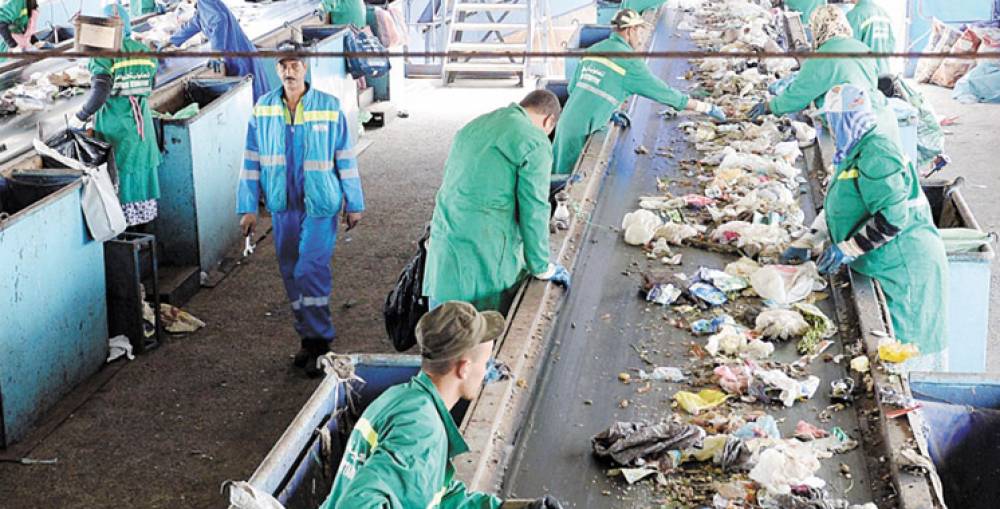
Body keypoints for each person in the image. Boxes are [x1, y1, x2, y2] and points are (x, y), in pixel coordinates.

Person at [322, 301, 565, 509]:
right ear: (464, 368)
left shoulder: (400, 398)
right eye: (486, 363)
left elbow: (440, 497)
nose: (486, 372)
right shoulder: (422, 430)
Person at [781, 84, 948, 370]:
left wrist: (849, 247)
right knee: (889, 347)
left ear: (846, 119)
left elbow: (893, 217)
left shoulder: (878, 154)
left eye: (831, 120)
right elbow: (842, 203)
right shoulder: (855, 148)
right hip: (884, 260)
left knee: (904, 350)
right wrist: (810, 239)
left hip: (904, 265)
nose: (828, 126)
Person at [236, 48, 364, 377]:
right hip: (283, 205)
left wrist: (355, 201)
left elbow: (345, 158)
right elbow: (250, 161)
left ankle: (322, 342)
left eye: (295, 65)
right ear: (277, 71)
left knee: (310, 268)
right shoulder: (263, 108)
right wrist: (248, 207)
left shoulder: (328, 107)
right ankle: (307, 339)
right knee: (291, 272)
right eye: (283, 66)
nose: (289, 72)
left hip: (321, 204)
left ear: (305, 69)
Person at [423, 90, 571, 313]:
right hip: (484, 252)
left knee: (442, 331)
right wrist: (541, 267)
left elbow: (486, 176)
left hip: (445, 241)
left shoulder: (477, 125)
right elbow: (535, 209)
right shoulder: (535, 140)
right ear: (549, 121)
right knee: (478, 332)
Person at [552, 9, 726, 177]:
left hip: (565, 121)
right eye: (639, 31)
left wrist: (606, 109)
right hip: (582, 130)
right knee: (566, 185)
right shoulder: (630, 63)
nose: (641, 37)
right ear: (630, 31)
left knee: (554, 172)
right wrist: (705, 107)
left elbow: (573, 88)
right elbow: (665, 94)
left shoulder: (595, 49)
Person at [69, 12, 161, 227]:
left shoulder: (103, 55)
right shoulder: (144, 50)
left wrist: (80, 117)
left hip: (117, 130)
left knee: (121, 189)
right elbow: (152, 84)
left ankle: (126, 242)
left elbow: (100, 91)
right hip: (142, 129)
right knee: (140, 184)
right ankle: (143, 244)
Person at [748, 5, 897, 134]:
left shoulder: (822, 57)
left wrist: (770, 106)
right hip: (877, 118)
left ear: (817, 28)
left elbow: (798, 94)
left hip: (851, 124)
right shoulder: (863, 49)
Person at [164, 0, 276, 102]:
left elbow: (219, 20)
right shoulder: (202, 7)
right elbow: (197, 22)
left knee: (257, 100)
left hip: (242, 58)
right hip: (237, 58)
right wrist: (172, 40)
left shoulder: (206, 2)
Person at [845, 0, 896, 77]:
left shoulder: (854, 15)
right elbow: (891, 47)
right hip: (885, 74)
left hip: (864, 76)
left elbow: (846, 48)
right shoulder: (884, 14)